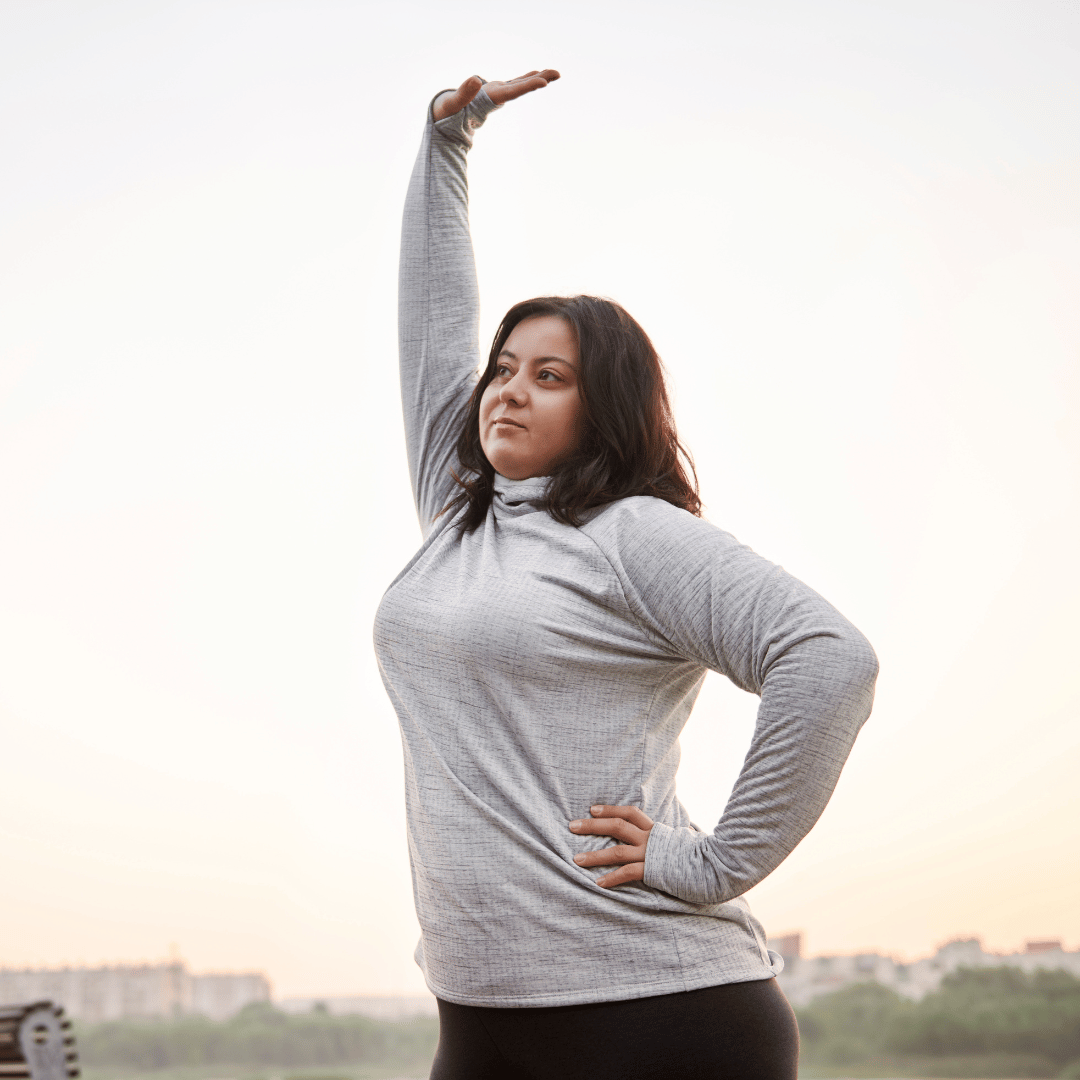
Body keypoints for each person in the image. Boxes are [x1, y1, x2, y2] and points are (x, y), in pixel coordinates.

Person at [374, 70, 879, 1080]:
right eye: (505, 369)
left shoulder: (633, 535)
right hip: (481, 1023)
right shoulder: (460, 510)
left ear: (603, 406)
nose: (509, 391)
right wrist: (446, 151)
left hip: (657, 1018)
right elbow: (434, 332)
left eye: (549, 377)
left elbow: (830, 659)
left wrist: (712, 862)